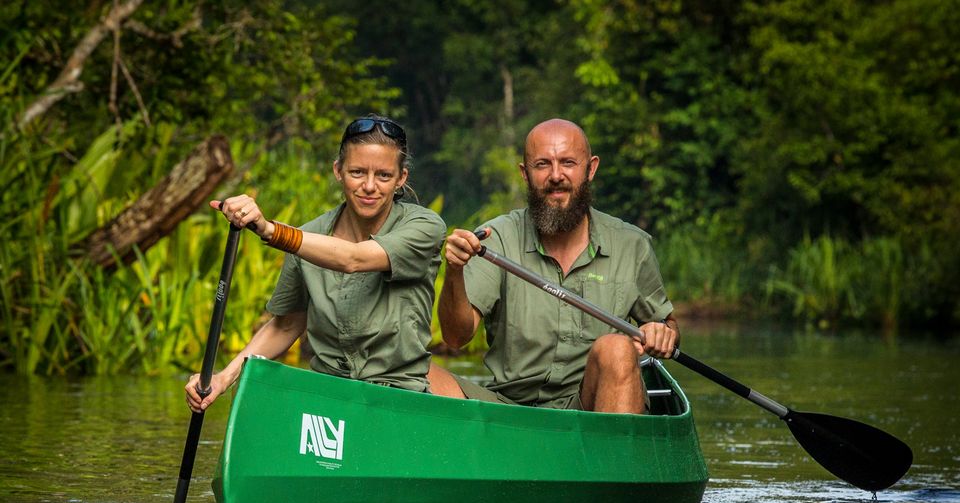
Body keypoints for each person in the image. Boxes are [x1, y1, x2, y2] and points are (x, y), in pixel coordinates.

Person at [186, 115, 446, 412]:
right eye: (357, 172)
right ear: (338, 171)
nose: (370, 186)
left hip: (398, 396)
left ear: (401, 178)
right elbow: (286, 324)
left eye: (384, 176)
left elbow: (353, 258)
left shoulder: (425, 226)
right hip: (327, 394)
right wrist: (223, 378)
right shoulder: (309, 234)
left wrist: (269, 230)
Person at [428, 118, 678, 413]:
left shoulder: (631, 245)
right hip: (508, 407)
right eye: (542, 164)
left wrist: (663, 332)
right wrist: (455, 270)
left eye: (568, 162)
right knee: (412, 369)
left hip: (591, 407)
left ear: (591, 168)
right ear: (525, 173)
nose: (556, 175)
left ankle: (613, 453)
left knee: (617, 347)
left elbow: (667, 324)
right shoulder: (496, 238)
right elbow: (456, 338)